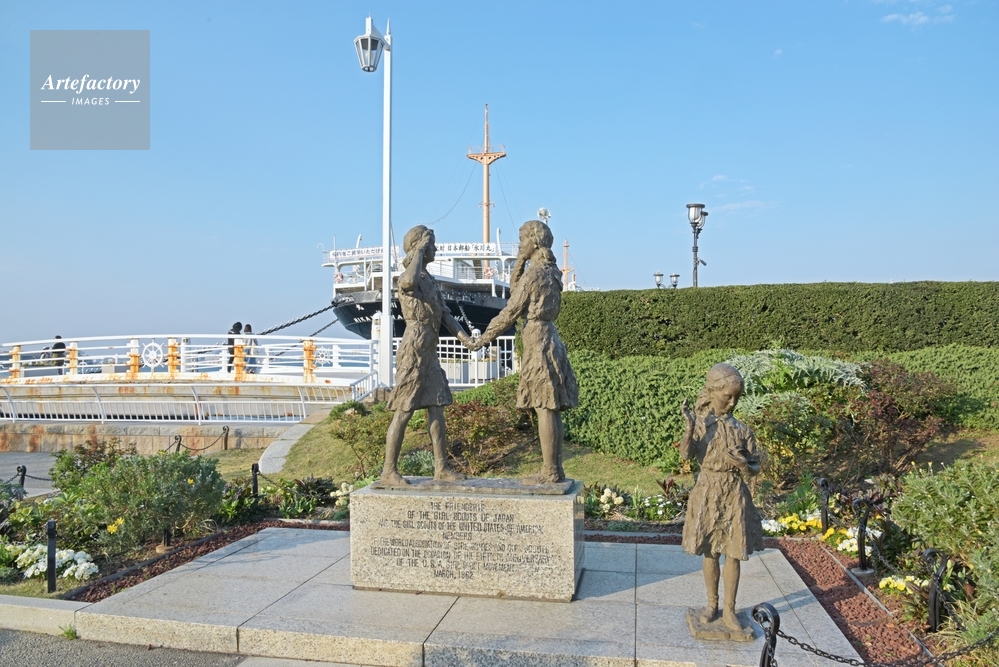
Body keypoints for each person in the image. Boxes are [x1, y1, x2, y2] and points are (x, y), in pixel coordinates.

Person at [471, 220, 578, 484]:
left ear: (535, 241)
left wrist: (482, 339)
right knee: (550, 407)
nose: (519, 245)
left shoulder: (534, 274)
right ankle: (555, 468)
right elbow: (515, 290)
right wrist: (520, 260)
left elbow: (510, 311)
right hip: (549, 337)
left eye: (522, 240)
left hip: (538, 341)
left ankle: (550, 471)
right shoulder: (551, 271)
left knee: (544, 406)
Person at [382, 225, 474, 485]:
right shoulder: (408, 277)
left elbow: (445, 315)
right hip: (414, 350)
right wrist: (419, 251)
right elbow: (408, 282)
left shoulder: (430, 281)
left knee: (436, 407)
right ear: (419, 247)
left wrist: (466, 340)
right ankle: (388, 471)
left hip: (429, 352)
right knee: (404, 410)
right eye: (431, 244)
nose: (435, 248)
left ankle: (441, 468)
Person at [679, 363, 765, 633]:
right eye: (727, 396)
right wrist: (689, 427)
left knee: (733, 553)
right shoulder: (702, 426)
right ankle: (711, 604)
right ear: (712, 393)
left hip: (733, 493)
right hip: (707, 491)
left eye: (736, 398)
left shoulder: (742, 430)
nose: (732, 402)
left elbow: (755, 467)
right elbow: (686, 455)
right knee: (711, 551)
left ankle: (729, 610)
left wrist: (743, 465)